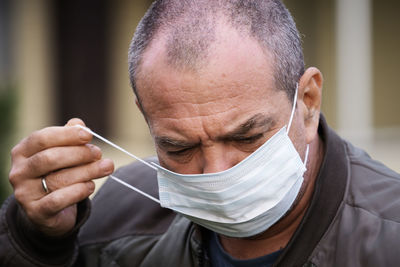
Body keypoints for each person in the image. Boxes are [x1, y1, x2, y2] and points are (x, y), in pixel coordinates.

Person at [1, 0, 400, 266]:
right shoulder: (117, 217)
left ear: (308, 102)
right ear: (146, 117)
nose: (214, 172)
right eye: (179, 146)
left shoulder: (386, 237)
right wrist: (36, 238)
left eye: (246, 137)